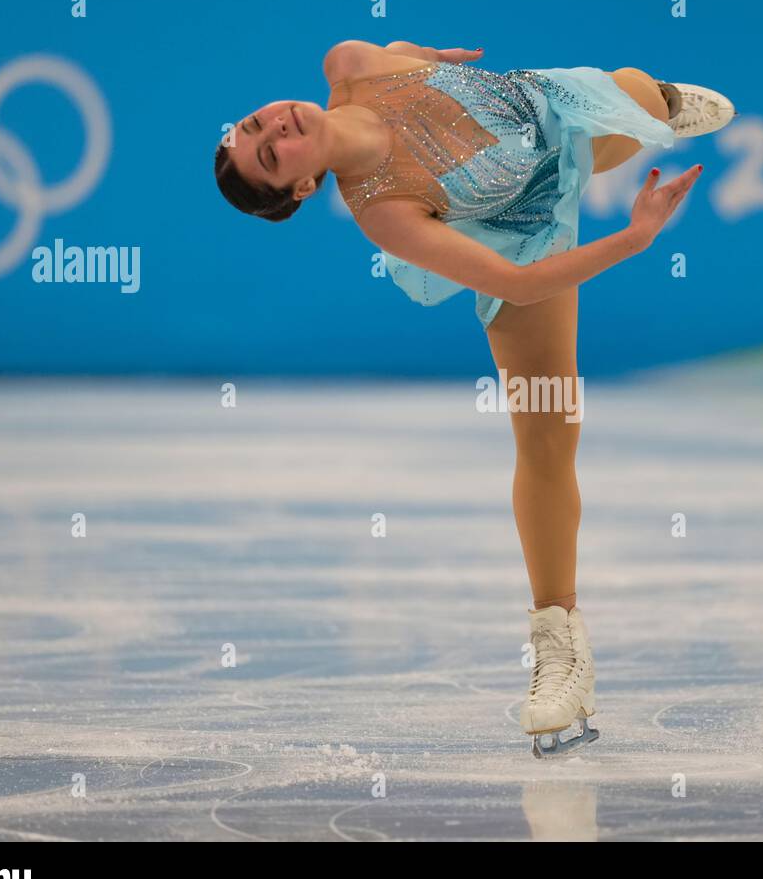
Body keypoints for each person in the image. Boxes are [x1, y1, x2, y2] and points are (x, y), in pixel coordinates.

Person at [214, 39, 735, 757]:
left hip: (548, 111)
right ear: (303, 189)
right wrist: (637, 238)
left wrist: (429, 57)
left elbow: (398, 48)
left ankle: (661, 103)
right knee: (549, 436)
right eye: (270, 156)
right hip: (521, 237)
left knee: (641, 97)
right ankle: (560, 648)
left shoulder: (350, 62)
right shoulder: (384, 211)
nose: (276, 130)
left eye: (256, 123)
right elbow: (518, 286)